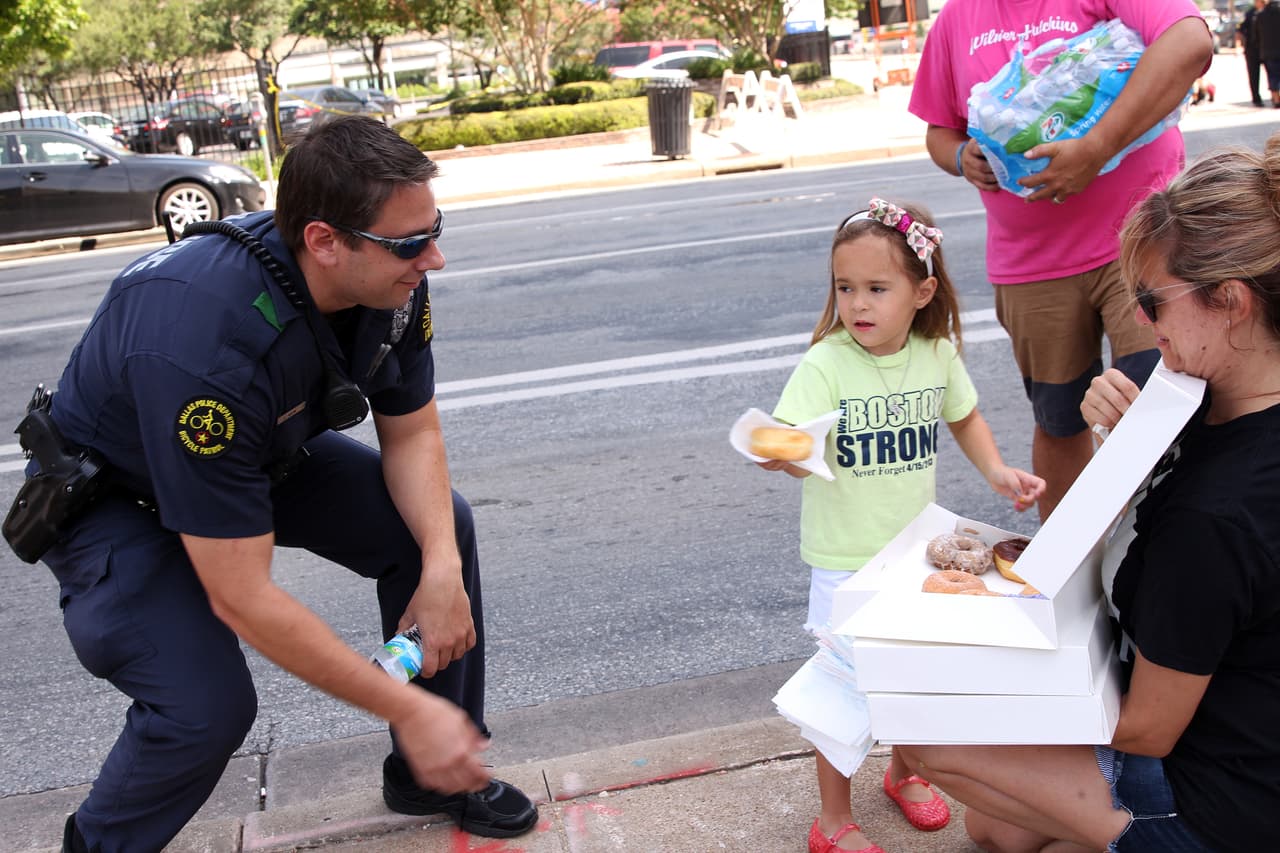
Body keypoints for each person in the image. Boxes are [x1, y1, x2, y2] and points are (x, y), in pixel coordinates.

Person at [7, 115, 538, 851]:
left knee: (434, 528)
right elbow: (243, 595)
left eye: (436, 229)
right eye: (413, 242)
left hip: (248, 456)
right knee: (206, 707)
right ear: (324, 241)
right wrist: (405, 704)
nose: (436, 258)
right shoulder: (203, 340)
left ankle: (435, 772)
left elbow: (412, 431)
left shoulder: (391, 283)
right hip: (115, 498)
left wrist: (443, 568)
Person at [893, 134, 1280, 852]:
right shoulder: (1215, 409)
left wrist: (958, 683)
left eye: (1151, 301)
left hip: (1226, 797)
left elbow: (1145, 724)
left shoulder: (1215, 514)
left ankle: (1147, 833)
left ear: (1231, 302)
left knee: (927, 734)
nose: (1137, 321)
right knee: (998, 826)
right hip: (1249, 730)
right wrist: (1132, 453)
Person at [755, 199, 1045, 853]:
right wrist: (786, 456)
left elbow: (964, 415)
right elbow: (793, 445)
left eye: (877, 288)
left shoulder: (935, 353)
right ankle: (832, 819)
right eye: (845, 286)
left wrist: (997, 470)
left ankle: (903, 773)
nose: (858, 302)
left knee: (913, 675)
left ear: (923, 291)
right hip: (844, 558)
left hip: (915, 551)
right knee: (843, 687)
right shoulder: (826, 363)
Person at [908, 1, 1213, 521]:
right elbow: (940, 128)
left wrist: (1096, 146)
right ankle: (1066, 579)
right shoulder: (958, 19)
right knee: (1060, 420)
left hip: (1142, 244)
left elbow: (1190, 43)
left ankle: (1167, 556)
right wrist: (962, 157)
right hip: (1033, 266)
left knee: (1159, 410)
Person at [1240, 0, 1267, 107]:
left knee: (1272, 73)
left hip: (1266, 47)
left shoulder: (1271, 11)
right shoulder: (1250, 14)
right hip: (1252, 49)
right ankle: (1256, 98)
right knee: (1253, 75)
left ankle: (1275, 95)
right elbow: (1241, 30)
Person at [1258, 0, 1280, 107]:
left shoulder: (1261, 15)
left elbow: (1256, 35)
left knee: (1272, 76)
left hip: (1268, 51)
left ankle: (1276, 99)